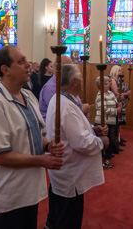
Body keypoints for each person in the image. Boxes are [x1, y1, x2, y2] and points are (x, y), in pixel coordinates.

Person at [0, 46, 63, 229]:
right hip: (8, 195)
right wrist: (41, 160)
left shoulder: (28, 96)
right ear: (5, 69)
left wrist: (49, 146)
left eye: (26, 60)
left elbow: (36, 135)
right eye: (21, 61)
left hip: (28, 191)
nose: (28, 65)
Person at [45, 64, 108, 229]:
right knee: (68, 219)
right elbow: (80, 141)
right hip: (70, 174)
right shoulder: (65, 105)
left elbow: (73, 130)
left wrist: (93, 129)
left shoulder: (63, 99)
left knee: (61, 214)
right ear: (74, 81)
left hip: (67, 172)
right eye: (80, 77)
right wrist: (102, 142)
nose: (82, 80)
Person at [39, 56, 78, 122]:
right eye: (70, 68)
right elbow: (62, 112)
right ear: (62, 70)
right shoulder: (51, 88)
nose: (73, 72)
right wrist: (81, 109)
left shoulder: (66, 84)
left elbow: (76, 102)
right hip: (56, 126)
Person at [95, 75, 121, 167]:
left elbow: (115, 102)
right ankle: (103, 158)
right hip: (103, 121)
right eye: (106, 84)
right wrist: (116, 111)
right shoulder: (100, 95)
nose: (108, 85)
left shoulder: (110, 93)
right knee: (105, 140)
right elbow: (103, 109)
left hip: (112, 120)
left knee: (110, 139)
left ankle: (108, 155)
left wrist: (118, 106)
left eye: (108, 83)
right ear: (101, 86)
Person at [110, 65, 131, 146]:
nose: (120, 72)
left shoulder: (122, 81)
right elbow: (117, 94)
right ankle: (116, 139)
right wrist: (126, 93)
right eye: (118, 71)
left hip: (123, 103)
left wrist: (128, 94)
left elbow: (129, 93)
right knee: (117, 122)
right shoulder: (113, 81)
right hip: (116, 103)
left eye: (120, 71)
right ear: (114, 71)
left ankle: (118, 137)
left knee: (120, 122)